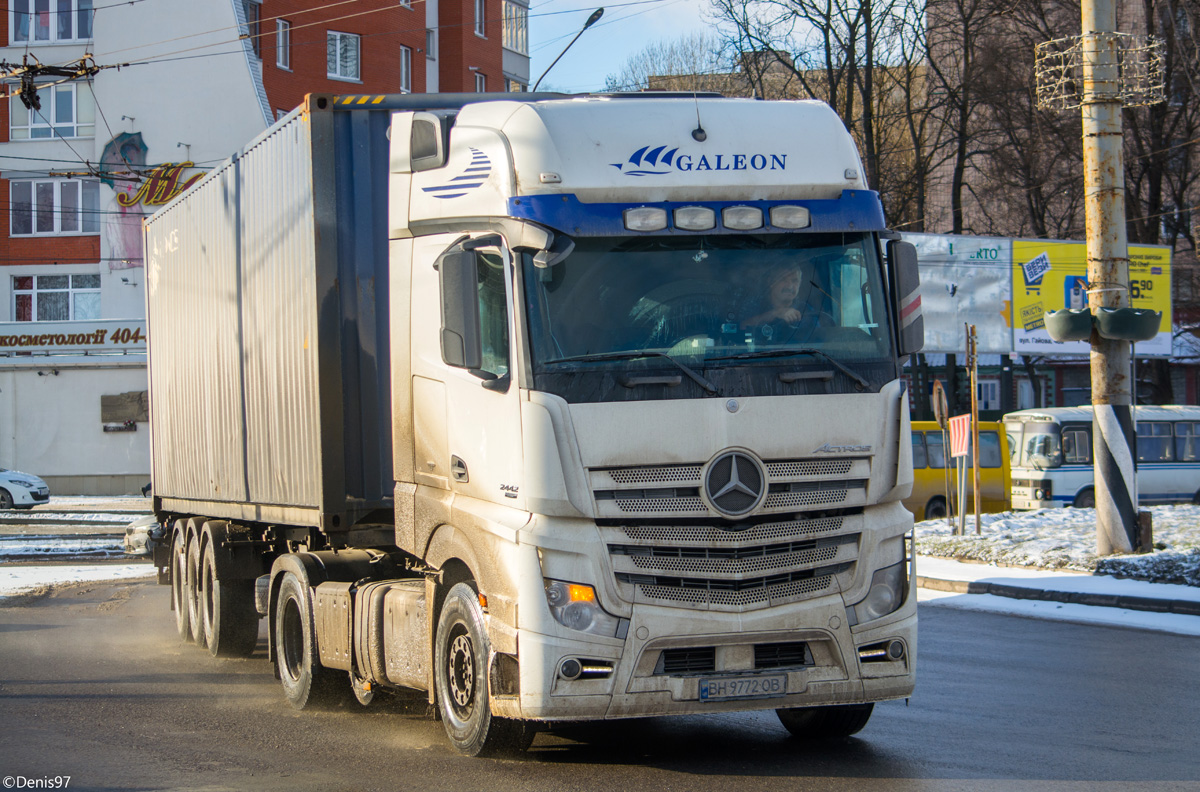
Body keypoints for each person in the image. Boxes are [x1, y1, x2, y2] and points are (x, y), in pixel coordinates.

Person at [741, 261, 832, 344]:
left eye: (794, 281)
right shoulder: (755, 306)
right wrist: (774, 313)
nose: (790, 286)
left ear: (800, 284)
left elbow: (818, 340)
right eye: (783, 279)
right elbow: (742, 328)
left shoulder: (806, 311)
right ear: (771, 282)